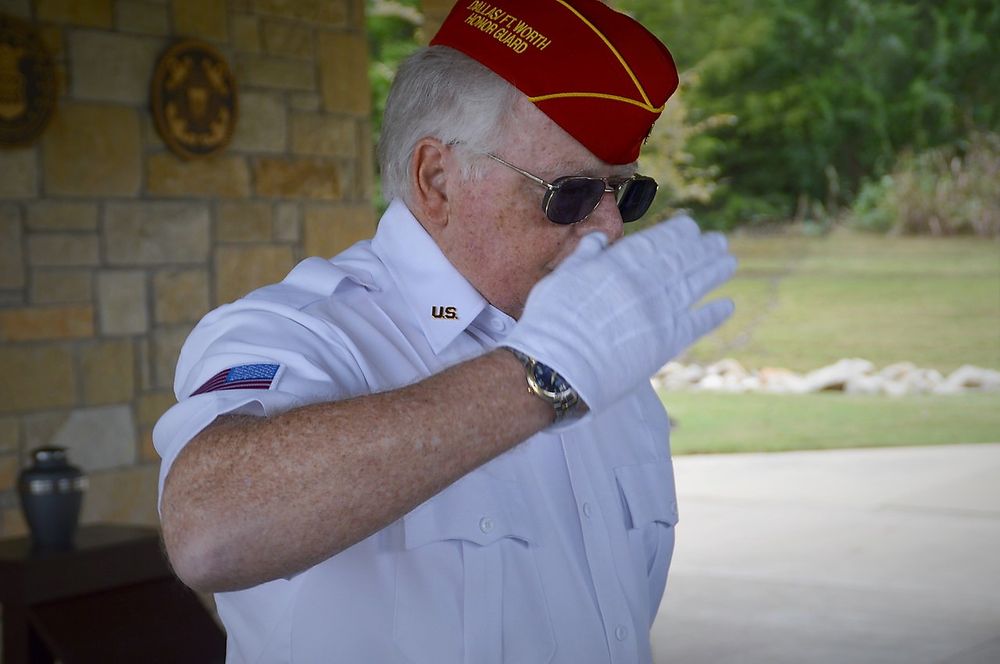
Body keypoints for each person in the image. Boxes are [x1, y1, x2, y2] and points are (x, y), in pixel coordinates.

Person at [154, 0, 737, 661]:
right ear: (436, 179)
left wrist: (569, 358)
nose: (607, 228)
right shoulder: (304, 331)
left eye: (626, 194)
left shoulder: (596, 349)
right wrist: (539, 376)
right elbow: (207, 529)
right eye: (567, 195)